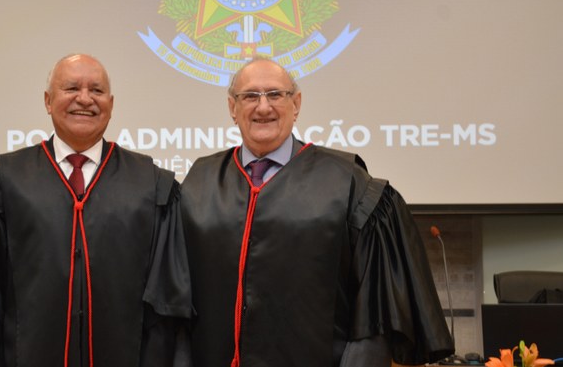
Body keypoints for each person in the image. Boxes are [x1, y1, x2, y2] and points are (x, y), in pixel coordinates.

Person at [180, 58, 454, 367]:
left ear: (296, 104)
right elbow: (178, 296)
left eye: (275, 94)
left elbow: (372, 316)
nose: (263, 107)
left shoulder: (346, 181)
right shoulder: (200, 181)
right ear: (232, 107)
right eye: (250, 96)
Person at [0, 54, 192, 367]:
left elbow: (165, 304)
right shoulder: (1, 181)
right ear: (48, 101)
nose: (85, 99)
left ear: (111, 103)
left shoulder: (152, 185)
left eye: (97, 90)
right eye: (71, 88)